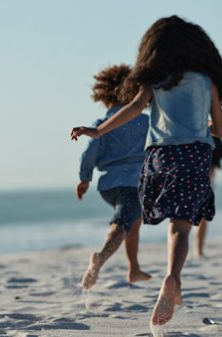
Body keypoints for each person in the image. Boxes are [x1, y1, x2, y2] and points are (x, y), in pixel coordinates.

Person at [71, 15, 222, 326]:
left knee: (141, 215)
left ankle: (164, 278)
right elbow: (221, 130)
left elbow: (132, 108)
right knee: (181, 226)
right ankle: (172, 278)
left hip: (160, 157)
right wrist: (202, 126)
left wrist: (96, 132)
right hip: (195, 154)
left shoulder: (154, 81)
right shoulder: (206, 81)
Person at [75, 64, 152, 290]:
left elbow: (90, 152)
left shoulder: (102, 124)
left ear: (104, 94)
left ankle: (134, 268)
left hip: (108, 185)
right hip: (133, 183)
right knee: (122, 222)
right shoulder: (144, 121)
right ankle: (100, 258)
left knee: (133, 221)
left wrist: (84, 178)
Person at [195, 136, 222, 257]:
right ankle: (198, 249)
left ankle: (198, 249)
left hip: (193, 177)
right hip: (207, 179)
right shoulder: (211, 133)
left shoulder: (189, 131)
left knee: (182, 217)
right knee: (202, 216)